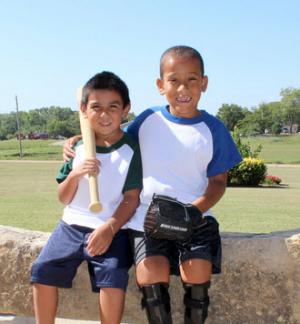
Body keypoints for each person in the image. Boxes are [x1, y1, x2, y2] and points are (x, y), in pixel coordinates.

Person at [64, 46, 242, 324]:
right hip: (148, 219)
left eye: (192, 79)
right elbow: (111, 132)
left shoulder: (214, 128)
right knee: (151, 274)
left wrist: (195, 211)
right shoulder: (148, 120)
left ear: (204, 83)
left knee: (196, 274)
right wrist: (78, 138)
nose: (183, 87)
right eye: (173, 80)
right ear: (161, 85)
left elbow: (218, 182)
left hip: (196, 217)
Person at [31, 71, 142, 324]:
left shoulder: (132, 148)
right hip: (70, 226)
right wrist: (76, 175)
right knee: (42, 271)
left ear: (125, 109)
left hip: (113, 227)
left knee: (113, 277)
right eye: (95, 107)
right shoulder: (78, 148)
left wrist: (110, 228)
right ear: (84, 110)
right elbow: (63, 197)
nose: (104, 115)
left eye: (112, 107)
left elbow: (131, 199)